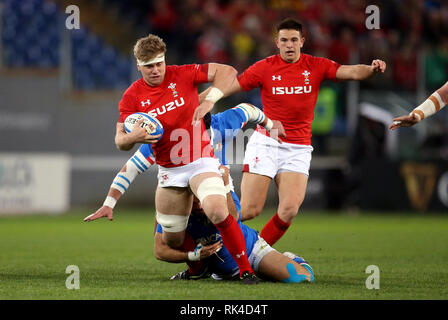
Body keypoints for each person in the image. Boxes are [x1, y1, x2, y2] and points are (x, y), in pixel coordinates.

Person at [194, 18, 387, 246]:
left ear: (302, 42)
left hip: (298, 148)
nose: (289, 45)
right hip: (266, 142)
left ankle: (255, 253)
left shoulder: (316, 65)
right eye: (284, 40)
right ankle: (202, 235)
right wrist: (194, 102)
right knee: (249, 210)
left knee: (288, 210)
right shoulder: (264, 67)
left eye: (294, 40)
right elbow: (230, 86)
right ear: (276, 42)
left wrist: (372, 69)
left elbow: (352, 72)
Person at [112, 33, 263, 284]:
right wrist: (132, 137)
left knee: (218, 210)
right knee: (171, 239)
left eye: (159, 63)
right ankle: (197, 267)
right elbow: (120, 141)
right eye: (148, 66)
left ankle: (246, 270)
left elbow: (228, 72)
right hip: (170, 170)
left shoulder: (183, 73)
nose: (155, 70)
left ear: (165, 60)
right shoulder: (132, 96)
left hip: (200, 162)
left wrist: (210, 100)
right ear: (139, 66)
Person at [84, 104, 282, 223]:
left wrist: (272, 126)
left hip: (217, 183)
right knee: (165, 237)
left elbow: (248, 110)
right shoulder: (167, 138)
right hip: (181, 189)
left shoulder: (224, 123)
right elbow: (131, 169)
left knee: (232, 218)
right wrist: (109, 204)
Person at [154, 167, 314, 284]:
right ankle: (197, 270)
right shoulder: (177, 210)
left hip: (251, 251)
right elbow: (160, 251)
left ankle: (292, 259)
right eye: (195, 201)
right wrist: (192, 256)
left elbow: (234, 217)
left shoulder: (219, 193)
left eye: (202, 200)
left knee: (302, 278)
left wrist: (225, 185)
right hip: (221, 272)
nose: (200, 205)